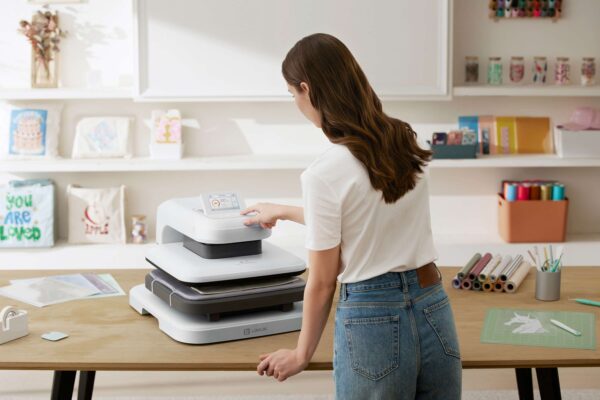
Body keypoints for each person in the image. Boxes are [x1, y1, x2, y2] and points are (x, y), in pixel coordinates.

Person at [241, 33, 462, 400]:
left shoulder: (323, 174)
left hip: (373, 316)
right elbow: (370, 217)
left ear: (307, 89)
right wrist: (287, 211)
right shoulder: (405, 140)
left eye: (293, 94)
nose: (296, 104)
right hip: (432, 304)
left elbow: (322, 281)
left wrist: (301, 353)